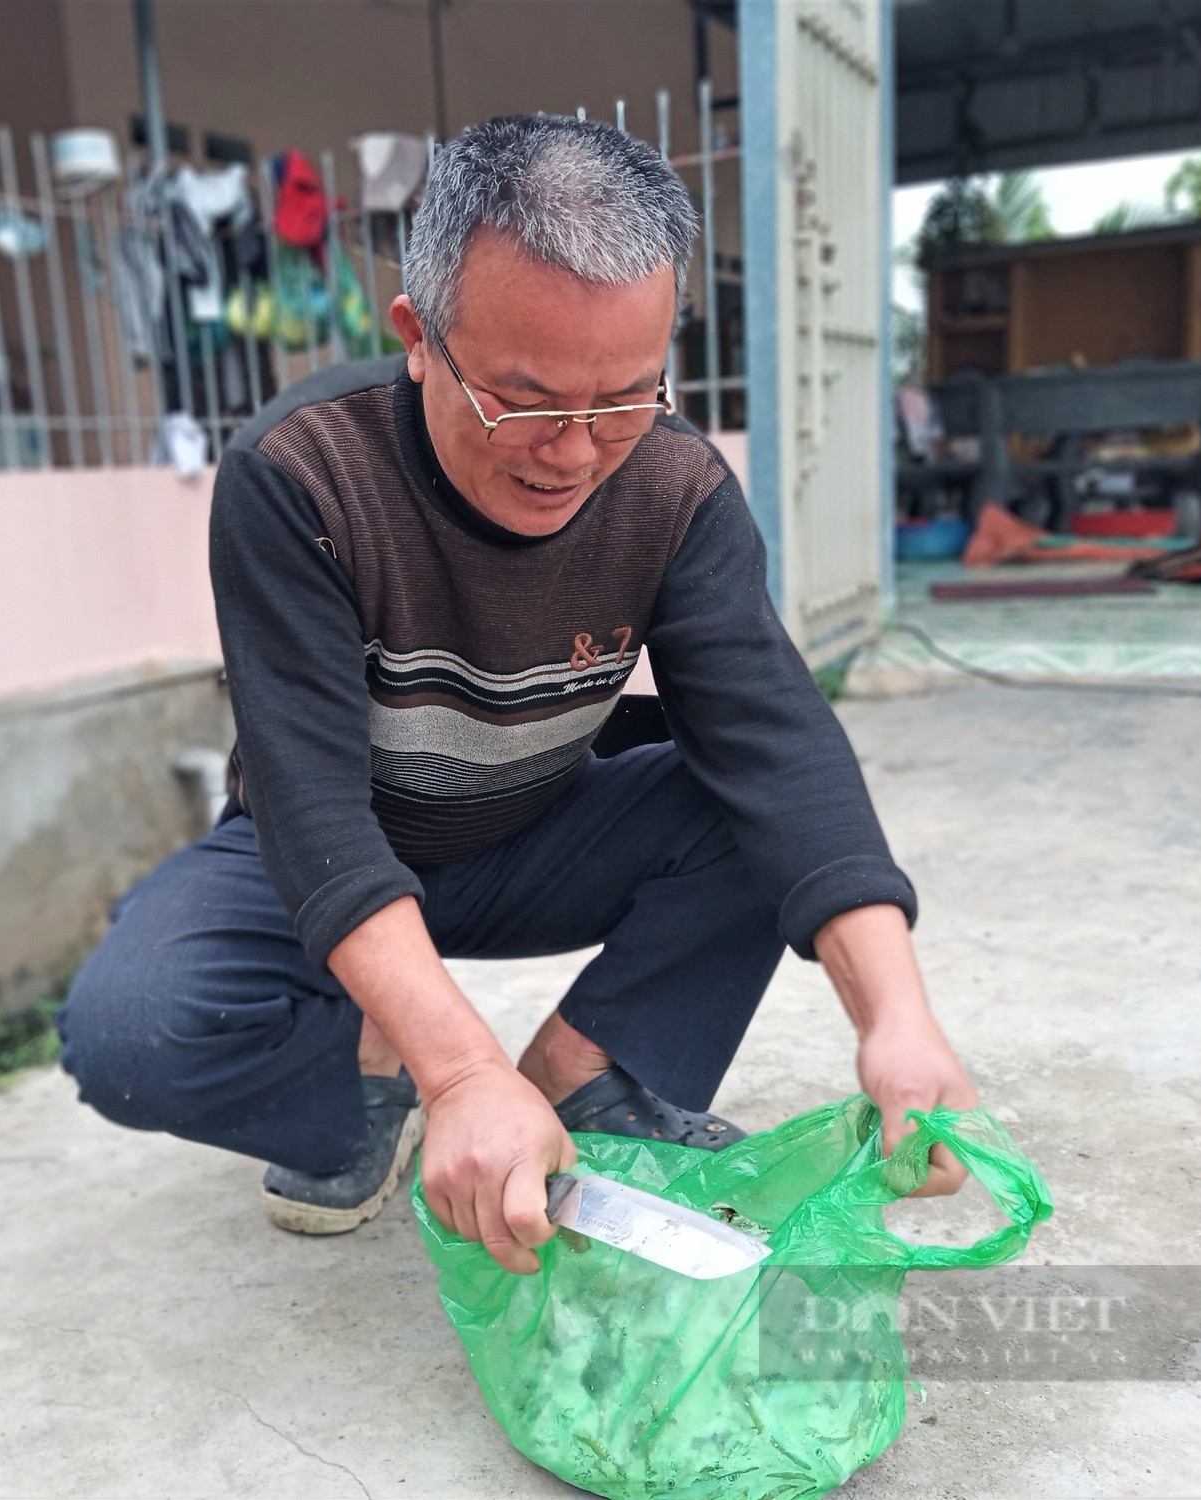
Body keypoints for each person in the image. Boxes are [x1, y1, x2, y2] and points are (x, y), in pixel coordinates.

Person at [58, 114, 979, 1274]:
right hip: (324, 850)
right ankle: (372, 1078)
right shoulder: (298, 476)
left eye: (623, 398)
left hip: (533, 828)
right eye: (524, 400)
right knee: (135, 1030)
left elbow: (773, 741)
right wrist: (452, 1067)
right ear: (416, 337)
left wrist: (892, 1017)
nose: (574, 452)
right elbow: (310, 811)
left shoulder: (672, 486)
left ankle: (586, 1088)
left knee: (754, 817)